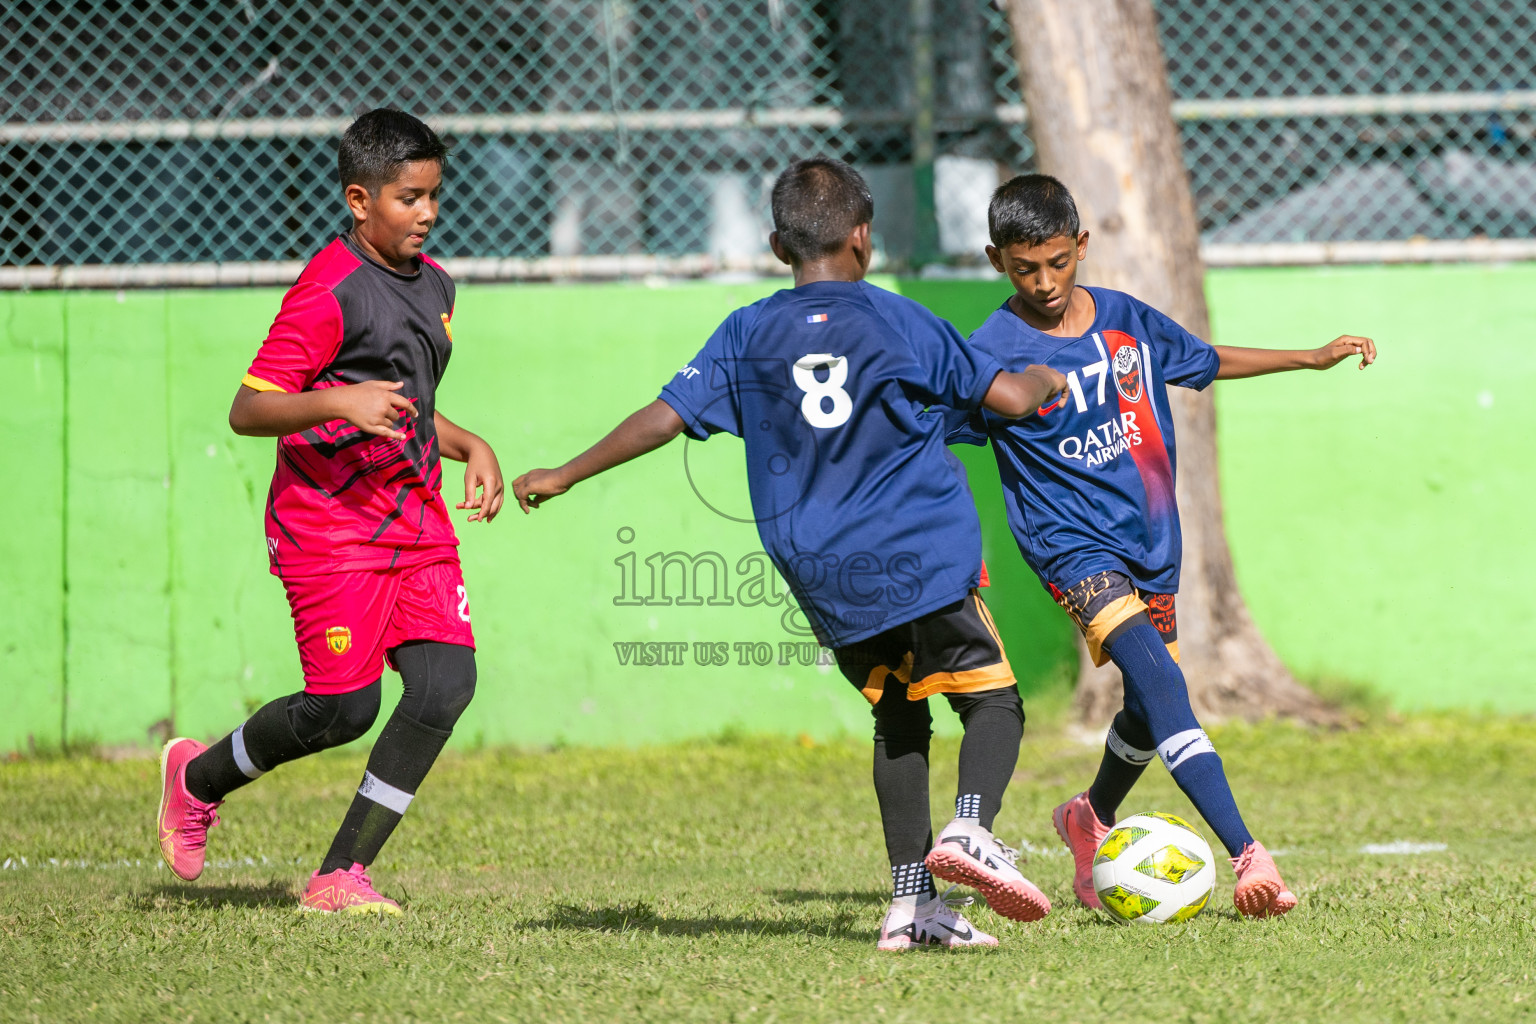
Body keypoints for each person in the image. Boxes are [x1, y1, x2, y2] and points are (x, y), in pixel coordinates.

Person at [511, 158, 1067, 950]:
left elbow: (666, 417)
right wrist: (1045, 376)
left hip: (821, 568)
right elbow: (1008, 399)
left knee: (899, 715)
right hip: (915, 545)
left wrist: (565, 472)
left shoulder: (746, 331)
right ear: (864, 237)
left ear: (779, 245)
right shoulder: (899, 320)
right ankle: (972, 830)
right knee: (991, 701)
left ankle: (912, 907)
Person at [953, 174, 1377, 919]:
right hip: (1071, 550)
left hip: (1150, 542)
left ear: (1080, 246)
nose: (1046, 282)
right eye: (1026, 269)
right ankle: (1250, 852)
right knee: (1169, 688)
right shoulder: (988, 351)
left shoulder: (1124, 320)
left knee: (1149, 709)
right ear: (997, 261)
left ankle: (1088, 817)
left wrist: (1310, 358)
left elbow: (1204, 361)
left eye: (1057, 262)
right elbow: (932, 426)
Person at [155, 109, 504, 914]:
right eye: (409, 198)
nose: (427, 213)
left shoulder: (439, 286)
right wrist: (337, 399)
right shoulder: (328, 291)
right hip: (328, 529)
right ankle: (196, 778)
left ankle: (339, 875)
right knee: (345, 708)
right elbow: (249, 409)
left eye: (434, 196)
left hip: (414, 521)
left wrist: (468, 443)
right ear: (359, 198)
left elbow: (409, 405)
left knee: (447, 684)